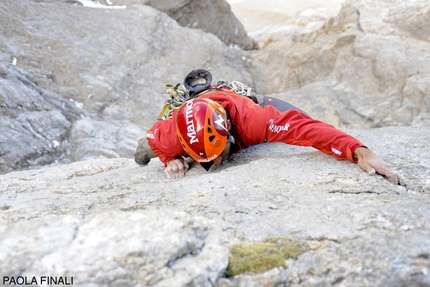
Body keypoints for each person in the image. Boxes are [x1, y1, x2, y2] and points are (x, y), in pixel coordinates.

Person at [135, 72, 399, 184]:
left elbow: (308, 130)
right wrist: (168, 157)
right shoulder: (171, 136)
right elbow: (151, 136)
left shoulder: (255, 120)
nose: (216, 164)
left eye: (220, 154)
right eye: (207, 159)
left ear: (228, 128)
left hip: (250, 103)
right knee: (142, 153)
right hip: (190, 117)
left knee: (302, 121)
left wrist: (358, 150)